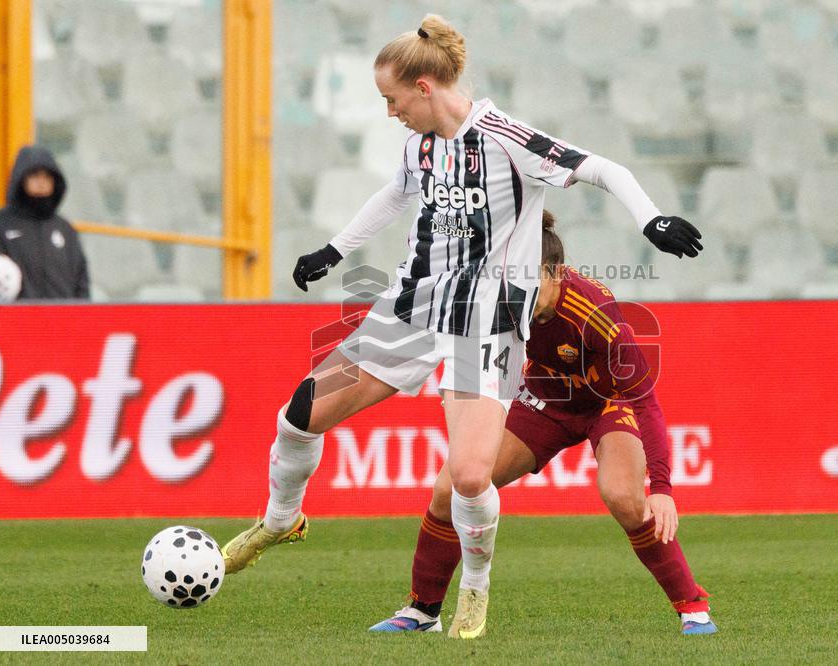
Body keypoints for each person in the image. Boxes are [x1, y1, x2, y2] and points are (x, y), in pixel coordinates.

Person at [221, 15, 703, 640]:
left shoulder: (506, 138)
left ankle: (471, 594)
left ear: (424, 87)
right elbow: (396, 195)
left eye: (391, 99)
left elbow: (604, 169)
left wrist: (652, 220)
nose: (389, 111)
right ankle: (280, 520)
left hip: (489, 318)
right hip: (414, 305)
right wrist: (334, 250)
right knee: (299, 411)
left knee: (470, 476)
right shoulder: (419, 142)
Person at [368, 211, 716, 637]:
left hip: (606, 405)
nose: (518, 290)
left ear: (555, 273)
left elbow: (646, 404)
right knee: (450, 486)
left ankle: (692, 607)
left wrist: (661, 490)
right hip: (543, 404)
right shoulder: (503, 297)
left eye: (529, 279)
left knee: (624, 496)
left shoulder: (599, 318)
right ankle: (423, 613)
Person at [0, 145, 90, 300]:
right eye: (34, 175)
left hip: (63, 320)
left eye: (47, 177)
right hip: (13, 320)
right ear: (21, 179)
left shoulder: (64, 229)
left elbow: (81, 282)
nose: (41, 182)